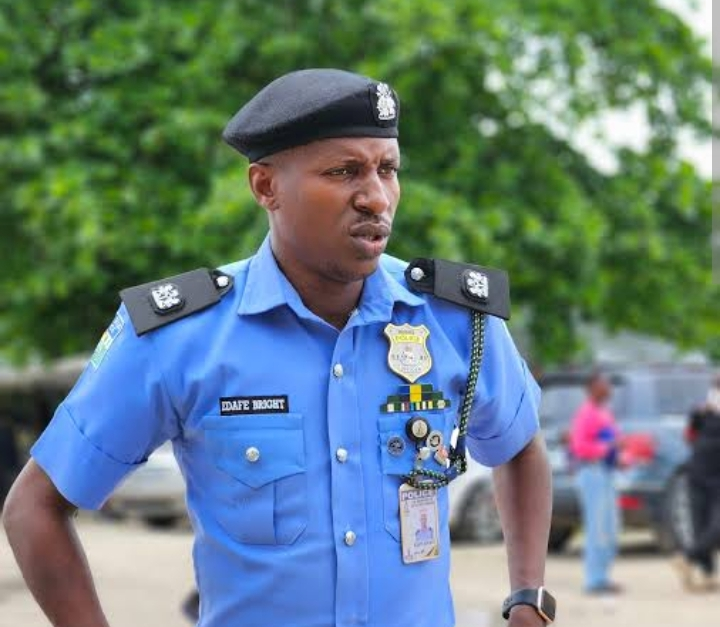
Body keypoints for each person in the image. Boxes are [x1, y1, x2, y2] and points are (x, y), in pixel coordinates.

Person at [2, 69, 556, 627]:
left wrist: (528, 597)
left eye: (388, 170)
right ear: (265, 187)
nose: (376, 197)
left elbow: (518, 446)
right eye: (344, 171)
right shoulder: (180, 337)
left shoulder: (454, 320)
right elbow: (34, 509)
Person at [568, 372, 622, 595]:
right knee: (596, 526)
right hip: (592, 472)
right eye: (603, 384)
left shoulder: (604, 412)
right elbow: (579, 447)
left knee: (610, 526)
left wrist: (622, 456)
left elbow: (614, 442)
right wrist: (606, 448)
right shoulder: (586, 414)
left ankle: (603, 576)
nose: (608, 388)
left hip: (606, 473)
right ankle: (594, 579)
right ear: (592, 388)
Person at [673, 376, 720, 592]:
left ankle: (687, 558)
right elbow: (689, 436)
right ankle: (706, 574)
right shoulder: (701, 413)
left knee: (715, 525)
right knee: (700, 524)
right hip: (699, 473)